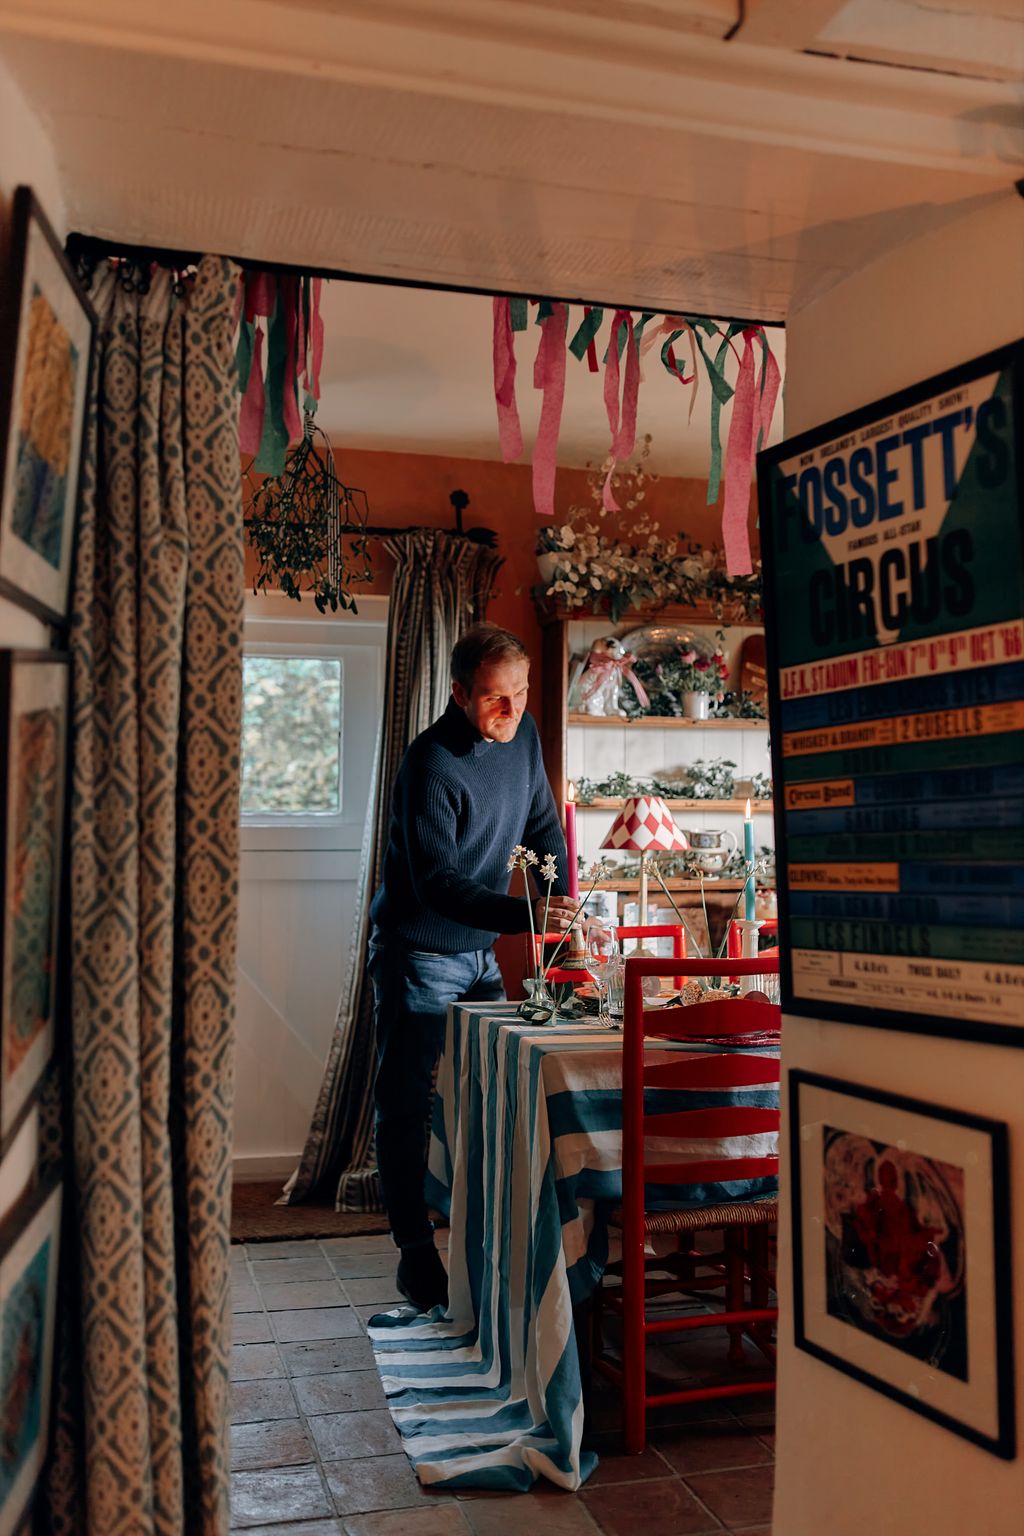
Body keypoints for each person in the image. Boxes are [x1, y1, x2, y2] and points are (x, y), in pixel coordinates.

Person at [368, 623, 576, 1312]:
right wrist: (526, 918)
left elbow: (545, 829)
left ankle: (491, 1236)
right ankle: (414, 1252)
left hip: (478, 954)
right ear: (459, 693)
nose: (511, 711)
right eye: (494, 698)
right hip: (419, 952)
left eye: (519, 694)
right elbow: (437, 884)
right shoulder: (429, 764)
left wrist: (562, 907)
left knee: (497, 1093)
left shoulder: (523, 739)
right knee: (409, 1104)